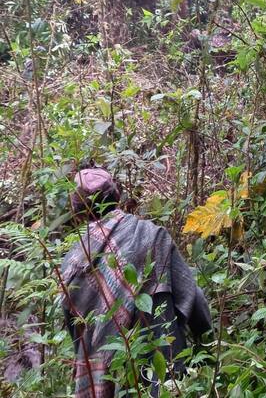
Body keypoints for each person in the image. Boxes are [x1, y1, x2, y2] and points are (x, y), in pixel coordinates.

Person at [60, 167, 212, 397]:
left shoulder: (73, 262)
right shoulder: (151, 235)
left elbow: (77, 333)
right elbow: (193, 297)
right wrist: (207, 348)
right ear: (116, 197)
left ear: (78, 211)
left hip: (111, 378)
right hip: (166, 367)